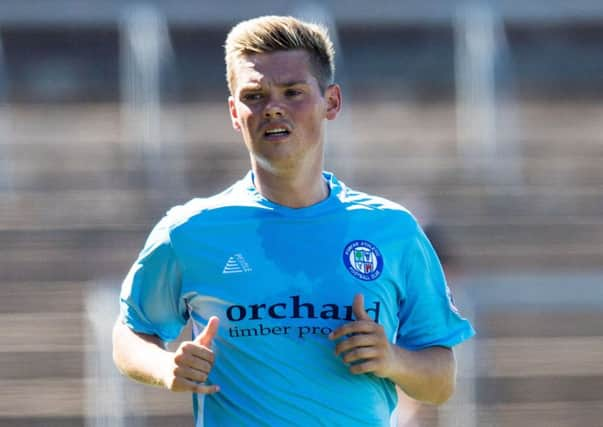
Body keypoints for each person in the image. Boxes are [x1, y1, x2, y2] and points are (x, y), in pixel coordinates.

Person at [112, 15, 475, 427]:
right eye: (254, 95)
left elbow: (441, 381)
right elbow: (129, 334)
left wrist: (393, 359)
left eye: (293, 92)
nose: (273, 108)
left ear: (331, 102)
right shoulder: (190, 231)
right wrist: (165, 368)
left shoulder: (393, 230)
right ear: (234, 111)